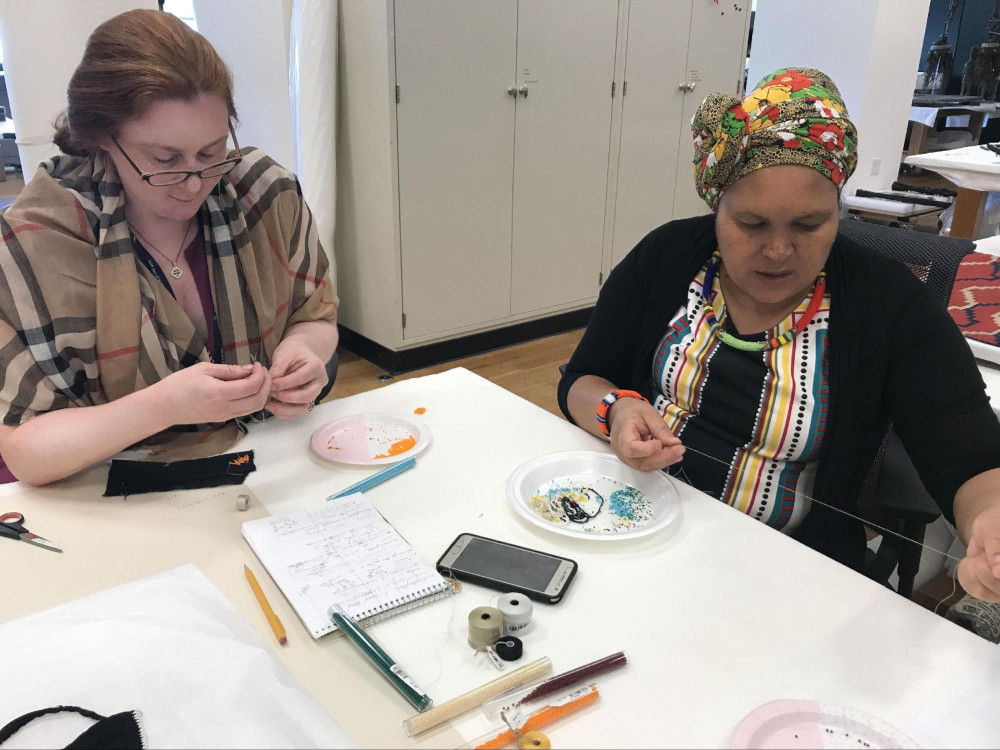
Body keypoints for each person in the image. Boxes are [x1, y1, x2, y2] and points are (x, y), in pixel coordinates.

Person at [559, 68, 1000, 603]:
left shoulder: (891, 306)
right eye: (752, 224)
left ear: (838, 211)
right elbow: (581, 379)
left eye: (809, 226)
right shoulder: (668, 256)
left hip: (780, 577)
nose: (777, 251)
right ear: (715, 207)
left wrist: (988, 526)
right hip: (636, 527)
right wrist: (618, 409)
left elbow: (971, 457)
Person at [0, 10, 338, 486]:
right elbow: (26, 452)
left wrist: (305, 355)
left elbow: (315, 316)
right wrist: (163, 406)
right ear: (101, 138)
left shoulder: (265, 194)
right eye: (165, 160)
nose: (194, 183)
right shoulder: (32, 247)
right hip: (103, 494)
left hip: (259, 471)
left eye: (212, 151)